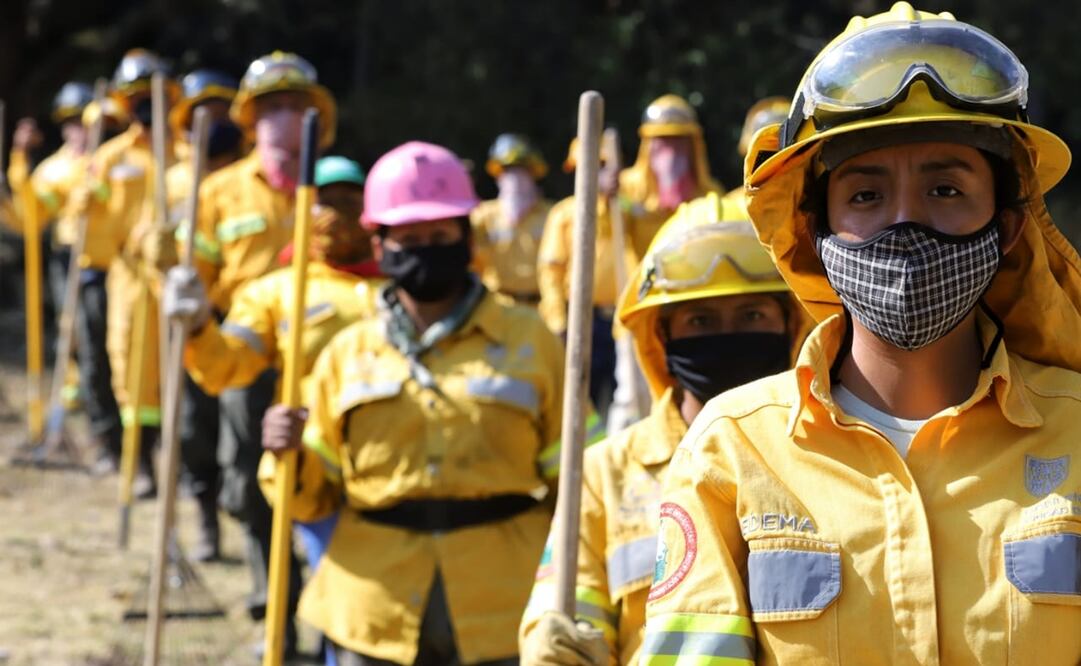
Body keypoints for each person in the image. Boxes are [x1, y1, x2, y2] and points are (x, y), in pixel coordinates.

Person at [642, 3, 1081, 664]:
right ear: (813, 236)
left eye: (944, 188)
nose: (905, 222)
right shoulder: (733, 449)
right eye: (865, 196)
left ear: (1008, 227)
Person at [260, 141, 565, 665]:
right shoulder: (346, 353)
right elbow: (311, 499)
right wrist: (286, 454)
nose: (425, 248)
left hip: (504, 603)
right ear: (380, 246)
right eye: (410, 238)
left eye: (440, 236)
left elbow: (574, 476)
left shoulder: (530, 339)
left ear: (466, 239)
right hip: (373, 605)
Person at [519, 192, 808, 665]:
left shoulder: (832, 455)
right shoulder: (604, 473)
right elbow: (560, 608)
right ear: (662, 337)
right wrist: (551, 642)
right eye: (700, 320)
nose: (726, 337)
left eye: (751, 315)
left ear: (791, 325)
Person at [189, 50, 336, 632]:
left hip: (330, 360)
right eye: (271, 108)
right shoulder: (220, 191)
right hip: (247, 355)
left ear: (316, 118)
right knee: (252, 485)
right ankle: (272, 610)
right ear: (251, 122)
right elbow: (194, 276)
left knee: (330, 486)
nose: (284, 119)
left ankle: (330, 615)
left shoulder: (340, 184)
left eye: (296, 106)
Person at [142, 67, 245, 561]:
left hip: (244, 319)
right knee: (194, 428)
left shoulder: (256, 175)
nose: (214, 119)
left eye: (223, 109)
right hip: (194, 317)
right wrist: (159, 251)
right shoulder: (174, 178)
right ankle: (206, 521)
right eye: (204, 110)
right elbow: (146, 247)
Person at [537, 138, 631, 418]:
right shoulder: (564, 213)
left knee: (626, 402)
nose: (596, 175)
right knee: (580, 400)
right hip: (583, 319)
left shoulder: (625, 210)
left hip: (625, 319)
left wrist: (612, 199)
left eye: (602, 167)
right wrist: (558, 321)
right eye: (590, 168)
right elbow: (550, 273)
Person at [470, 133, 552, 305]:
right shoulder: (482, 215)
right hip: (497, 306)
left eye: (522, 171)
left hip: (542, 307)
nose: (515, 178)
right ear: (498, 175)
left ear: (533, 175)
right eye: (508, 170)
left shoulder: (552, 214)